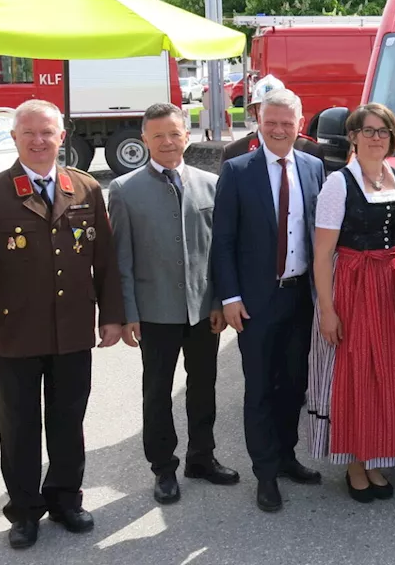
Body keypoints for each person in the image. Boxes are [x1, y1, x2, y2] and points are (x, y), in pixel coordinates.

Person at [0, 99, 125, 550]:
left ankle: (66, 499)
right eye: (28, 132)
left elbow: (103, 260)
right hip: (16, 333)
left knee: (69, 420)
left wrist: (111, 316)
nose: (38, 140)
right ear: (14, 138)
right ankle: (25, 510)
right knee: (20, 426)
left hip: (72, 330)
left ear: (62, 136)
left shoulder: (85, 187)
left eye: (47, 132)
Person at [107, 103, 239, 506]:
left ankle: (202, 456)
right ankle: (163, 467)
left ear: (187, 136)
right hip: (154, 311)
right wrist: (129, 312)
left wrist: (218, 300)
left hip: (203, 310)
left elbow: (220, 251)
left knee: (203, 387)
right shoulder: (125, 190)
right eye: (158, 135)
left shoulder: (209, 183)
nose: (167, 142)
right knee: (158, 391)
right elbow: (121, 259)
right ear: (145, 140)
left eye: (175, 134)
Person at [212, 88, 327, 513]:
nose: (279, 129)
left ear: (301, 124)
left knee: (293, 385)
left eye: (287, 123)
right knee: (260, 387)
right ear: (258, 121)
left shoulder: (316, 167)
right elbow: (222, 241)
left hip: (301, 299)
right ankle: (264, 474)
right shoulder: (238, 170)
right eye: (271, 121)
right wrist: (229, 297)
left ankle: (286, 456)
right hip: (255, 302)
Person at [308, 103, 395, 503]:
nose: (376, 138)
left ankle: (375, 456)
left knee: (388, 372)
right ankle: (355, 464)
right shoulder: (338, 184)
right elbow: (322, 253)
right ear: (353, 136)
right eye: (368, 130)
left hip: (390, 285)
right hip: (353, 285)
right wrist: (327, 309)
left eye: (384, 131)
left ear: (393, 137)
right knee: (356, 372)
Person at [221, 76, 327, 165]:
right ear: (253, 112)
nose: (272, 114)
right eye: (262, 108)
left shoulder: (310, 150)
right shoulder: (234, 152)